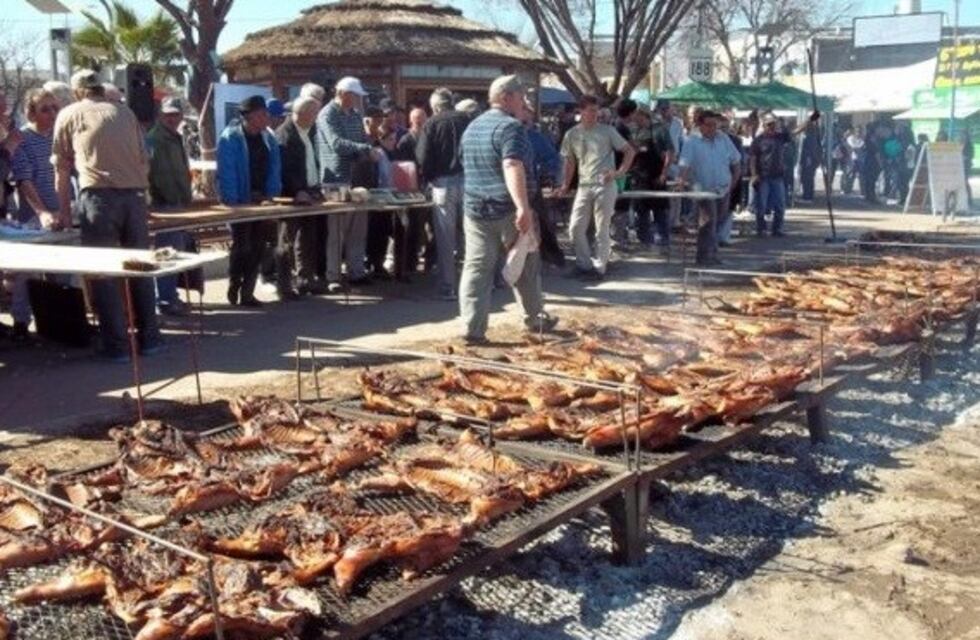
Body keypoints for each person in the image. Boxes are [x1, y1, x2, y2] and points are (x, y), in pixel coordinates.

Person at [51, 69, 161, 361]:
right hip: (135, 196)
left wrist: (64, 213)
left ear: (77, 92)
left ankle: (116, 345)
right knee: (140, 268)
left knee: (104, 272)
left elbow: (61, 171)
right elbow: (144, 160)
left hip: (99, 197)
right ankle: (150, 339)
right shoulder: (125, 113)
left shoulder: (70, 114)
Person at [458, 74, 557, 344]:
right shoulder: (511, 127)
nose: (523, 103)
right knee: (525, 264)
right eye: (521, 97)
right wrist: (523, 207)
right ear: (507, 97)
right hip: (506, 210)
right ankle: (534, 318)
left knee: (476, 268)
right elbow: (512, 165)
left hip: (475, 209)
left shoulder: (471, 127)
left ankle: (472, 327)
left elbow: (464, 165)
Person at [556, 95, 636, 280]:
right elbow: (570, 163)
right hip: (584, 186)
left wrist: (618, 173)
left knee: (602, 228)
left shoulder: (607, 131)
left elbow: (629, 151)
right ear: (581, 111)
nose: (595, 114)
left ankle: (600, 268)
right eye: (591, 110)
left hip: (604, 185)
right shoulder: (572, 134)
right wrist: (565, 185)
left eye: (596, 110)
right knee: (575, 228)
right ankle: (583, 265)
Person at [217, 95, 282, 307]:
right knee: (241, 246)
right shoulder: (230, 137)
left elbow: (274, 168)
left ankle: (248, 292)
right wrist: (233, 201)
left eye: (266, 114)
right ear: (249, 116)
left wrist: (271, 195)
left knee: (258, 246)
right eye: (262, 114)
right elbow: (227, 172)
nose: (266, 118)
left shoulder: (269, 138)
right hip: (240, 199)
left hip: (261, 200)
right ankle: (234, 282)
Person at [317, 76, 378, 292]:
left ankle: (356, 271)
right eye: (355, 96)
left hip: (357, 177)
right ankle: (333, 275)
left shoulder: (354, 115)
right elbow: (336, 144)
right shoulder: (327, 114)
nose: (357, 101)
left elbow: (361, 140)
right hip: (335, 178)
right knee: (336, 231)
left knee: (357, 228)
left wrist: (367, 147)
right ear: (342, 93)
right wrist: (364, 149)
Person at [417, 87, 470, 300]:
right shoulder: (467, 119)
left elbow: (422, 156)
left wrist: (428, 177)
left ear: (436, 106)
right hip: (468, 181)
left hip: (442, 183)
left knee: (446, 238)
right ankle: (481, 283)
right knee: (471, 235)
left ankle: (448, 286)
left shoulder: (431, 123)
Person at [147, 96, 195, 315]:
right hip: (164, 204)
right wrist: (164, 200)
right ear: (160, 115)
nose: (172, 118)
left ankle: (169, 297)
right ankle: (165, 300)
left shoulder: (174, 137)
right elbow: (154, 174)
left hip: (176, 202)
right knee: (167, 253)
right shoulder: (155, 139)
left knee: (174, 252)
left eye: (175, 114)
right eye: (168, 114)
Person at [677, 110, 741, 265]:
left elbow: (736, 161)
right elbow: (684, 165)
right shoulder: (691, 141)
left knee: (718, 222)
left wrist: (733, 182)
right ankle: (704, 257)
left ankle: (712, 253)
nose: (713, 128)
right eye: (709, 125)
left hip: (723, 188)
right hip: (703, 189)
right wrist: (681, 182)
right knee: (708, 222)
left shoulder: (723, 138)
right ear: (700, 125)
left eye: (715, 125)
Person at [274, 95, 322, 300]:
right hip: (290, 195)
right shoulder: (285, 134)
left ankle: (305, 279)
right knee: (286, 241)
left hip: (310, 191)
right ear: (303, 114)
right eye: (313, 113)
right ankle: (284, 286)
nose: (316, 117)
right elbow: (284, 169)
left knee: (308, 238)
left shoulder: (310, 132)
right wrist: (296, 190)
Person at [749, 111, 817, 236]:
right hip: (763, 176)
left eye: (773, 124)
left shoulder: (780, 137)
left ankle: (777, 229)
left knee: (780, 204)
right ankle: (761, 228)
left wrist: (810, 120)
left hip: (778, 176)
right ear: (764, 126)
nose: (772, 127)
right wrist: (754, 174)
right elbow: (753, 158)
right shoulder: (758, 141)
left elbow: (797, 131)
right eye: (769, 125)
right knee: (762, 205)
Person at [520, 99, 565, 267]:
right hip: (510, 187)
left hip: (531, 186)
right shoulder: (509, 133)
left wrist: (541, 171)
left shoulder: (536, 137)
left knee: (542, 222)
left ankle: (552, 257)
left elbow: (554, 159)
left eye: (526, 116)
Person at [632, 105, 674, 249]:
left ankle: (663, 240)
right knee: (641, 210)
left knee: (660, 210)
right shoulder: (635, 131)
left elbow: (669, 152)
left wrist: (664, 173)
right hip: (640, 176)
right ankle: (644, 241)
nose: (634, 119)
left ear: (644, 116)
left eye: (636, 116)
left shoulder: (660, 129)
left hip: (657, 174)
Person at [798, 119, 821, 202]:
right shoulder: (814, 137)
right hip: (812, 161)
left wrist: (808, 160)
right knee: (809, 179)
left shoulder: (809, 138)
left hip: (808, 161)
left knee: (806, 179)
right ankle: (809, 195)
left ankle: (807, 196)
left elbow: (809, 151)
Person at [962, 129, 974, 208]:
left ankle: (969, 199)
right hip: (960, 165)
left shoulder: (969, 145)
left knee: (965, 181)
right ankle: (965, 199)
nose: (961, 136)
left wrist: (964, 158)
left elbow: (970, 155)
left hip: (966, 165)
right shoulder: (960, 143)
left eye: (963, 135)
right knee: (963, 182)